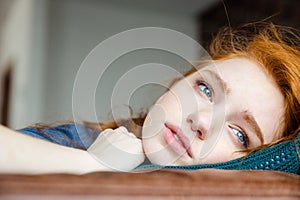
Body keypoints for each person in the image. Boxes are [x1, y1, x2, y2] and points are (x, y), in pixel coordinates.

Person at [0, 22, 299, 174]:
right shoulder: (83, 141)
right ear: (175, 85)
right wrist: (93, 164)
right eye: (205, 90)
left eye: (240, 135)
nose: (202, 120)